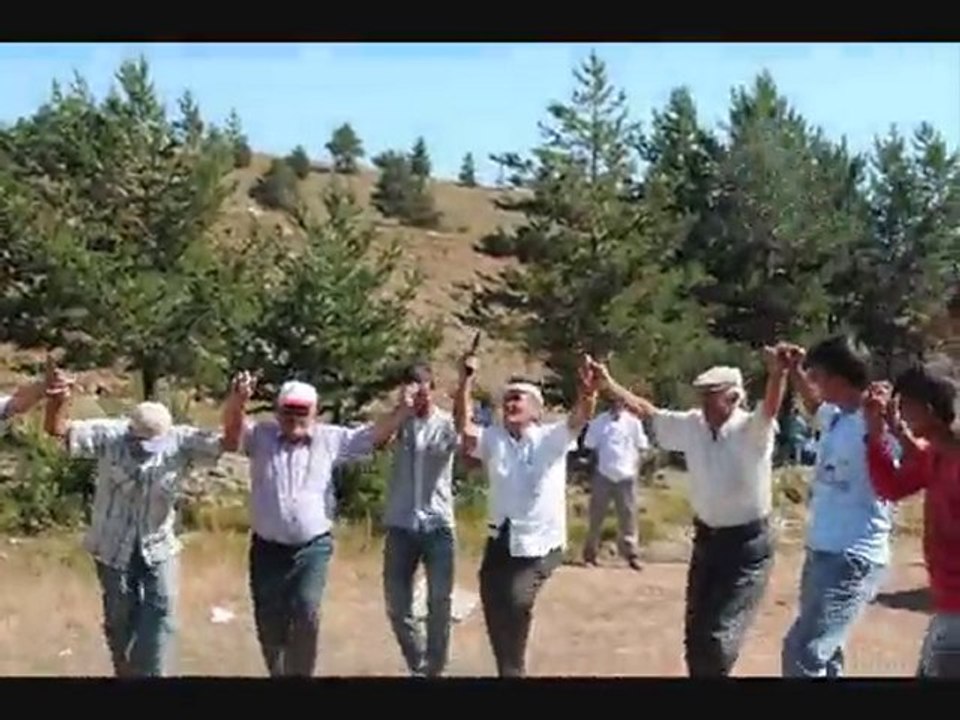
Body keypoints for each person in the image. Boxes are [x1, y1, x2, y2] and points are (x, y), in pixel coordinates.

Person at [587, 346, 788, 677]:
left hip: (747, 546)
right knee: (695, 635)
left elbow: (769, 409)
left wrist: (777, 374)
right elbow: (648, 412)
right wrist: (608, 384)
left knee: (718, 638)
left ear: (734, 398)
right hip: (708, 541)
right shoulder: (693, 424)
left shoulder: (751, 430)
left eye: (712, 397)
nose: (704, 405)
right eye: (702, 398)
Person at [42, 364, 244, 677]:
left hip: (158, 543)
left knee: (162, 610)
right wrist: (58, 396)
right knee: (121, 618)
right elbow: (58, 429)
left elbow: (228, 443)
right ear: (130, 433)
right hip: (112, 544)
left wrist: (237, 402)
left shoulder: (179, 441)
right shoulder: (110, 435)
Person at [224, 374, 415, 677]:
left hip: (312, 547)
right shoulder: (262, 435)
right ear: (277, 412)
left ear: (314, 412)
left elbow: (372, 436)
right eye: (288, 411)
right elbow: (233, 433)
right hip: (267, 548)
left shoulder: (330, 438)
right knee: (269, 619)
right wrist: (237, 402)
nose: (294, 418)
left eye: (302, 411)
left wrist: (402, 411)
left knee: (306, 609)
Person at [453, 353, 598, 677]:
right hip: (501, 536)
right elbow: (464, 427)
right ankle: (509, 667)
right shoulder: (494, 439)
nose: (510, 403)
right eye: (507, 399)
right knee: (492, 596)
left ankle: (512, 666)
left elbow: (579, 418)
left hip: (541, 543)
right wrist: (464, 382)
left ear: (536, 409)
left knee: (517, 599)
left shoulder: (551, 438)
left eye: (518, 398)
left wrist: (588, 392)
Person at [779, 335, 894, 677]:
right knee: (826, 653)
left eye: (818, 374)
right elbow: (815, 405)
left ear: (839, 379)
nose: (813, 381)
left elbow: (896, 466)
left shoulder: (875, 422)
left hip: (852, 555)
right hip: (824, 550)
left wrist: (882, 421)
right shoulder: (837, 415)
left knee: (803, 652)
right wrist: (793, 371)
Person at [864, 367, 960, 677]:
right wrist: (881, 433)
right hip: (947, 608)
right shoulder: (939, 456)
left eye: (905, 407)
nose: (899, 412)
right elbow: (892, 486)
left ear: (928, 411)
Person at [381, 362, 459, 677]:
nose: (418, 391)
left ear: (434, 388)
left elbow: (460, 441)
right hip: (401, 523)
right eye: (412, 385)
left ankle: (434, 668)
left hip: (437, 524)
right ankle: (419, 662)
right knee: (396, 604)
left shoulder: (445, 424)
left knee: (439, 602)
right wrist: (401, 410)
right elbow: (377, 441)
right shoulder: (400, 422)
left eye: (423, 385)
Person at [581, 396, 650, 570]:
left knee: (628, 517)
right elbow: (590, 446)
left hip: (627, 476)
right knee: (596, 516)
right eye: (613, 402)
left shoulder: (633, 422)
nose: (617, 405)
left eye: (620, 402)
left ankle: (631, 555)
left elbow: (642, 446)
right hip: (604, 474)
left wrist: (637, 468)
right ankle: (590, 555)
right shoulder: (599, 422)